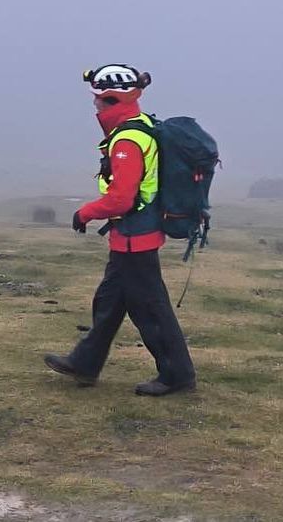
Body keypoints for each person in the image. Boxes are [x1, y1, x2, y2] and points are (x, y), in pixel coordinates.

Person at [44, 64, 197, 396]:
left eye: (98, 99)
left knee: (151, 310)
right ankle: (85, 362)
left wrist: (85, 213)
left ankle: (177, 375)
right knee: (110, 301)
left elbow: (121, 199)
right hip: (131, 236)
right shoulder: (140, 126)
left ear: (111, 99)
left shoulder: (127, 140)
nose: (95, 105)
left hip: (134, 239)